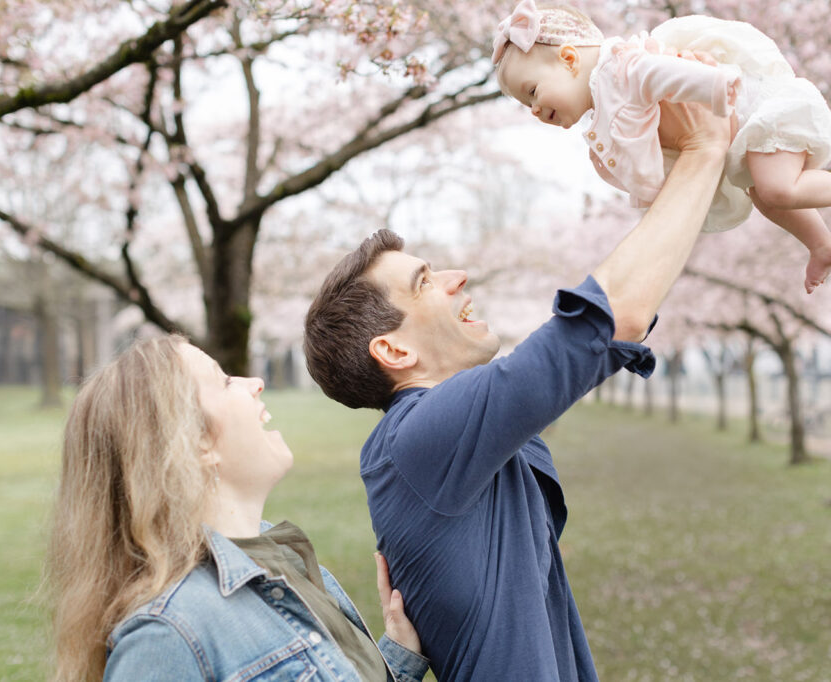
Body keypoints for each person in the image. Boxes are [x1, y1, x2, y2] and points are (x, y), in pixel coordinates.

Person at [302, 81, 732, 679]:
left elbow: (607, 331)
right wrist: (705, 150)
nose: (457, 276)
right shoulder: (419, 437)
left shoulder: (457, 440)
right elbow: (612, 318)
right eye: (425, 281)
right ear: (393, 349)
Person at [44, 335, 429, 682]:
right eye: (224, 380)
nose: (254, 383)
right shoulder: (165, 636)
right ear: (195, 441)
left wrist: (397, 659)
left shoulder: (286, 561)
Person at [492, 0, 831, 293]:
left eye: (533, 92)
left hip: (757, 110)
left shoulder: (617, 68)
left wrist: (713, 84)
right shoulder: (604, 109)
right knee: (765, 194)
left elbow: (661, 74)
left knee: (776, 188)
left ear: (570, 60)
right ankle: (822, 244)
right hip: (743, 137)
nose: (536, 110)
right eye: (527, 106)